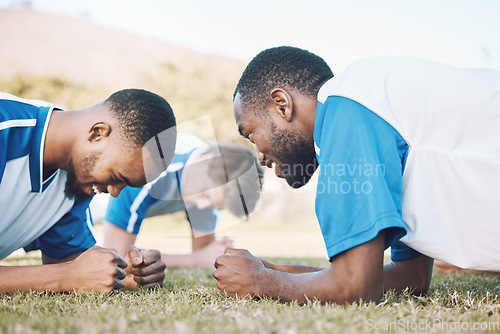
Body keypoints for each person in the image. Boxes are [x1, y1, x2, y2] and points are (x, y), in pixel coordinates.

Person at [213, 46, 500, 304]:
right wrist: (272, 270)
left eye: (250, 134)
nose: (260, 156)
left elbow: (357, 288)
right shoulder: (371, 100)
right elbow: (410, 279)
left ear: (282, 104)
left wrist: (261, 282)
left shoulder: (346, 109)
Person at [0, 89, 176, 294]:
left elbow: (68, 260)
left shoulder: (76, 179)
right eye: (117, 177)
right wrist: (63, 278)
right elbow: (65, 273)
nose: (115, 192)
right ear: (98, 133)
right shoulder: (5, 128)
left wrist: (123, 271)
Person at [101, 133, 264, 268]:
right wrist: (194, 260)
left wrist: (218, 252)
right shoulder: (150, 168)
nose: (202, 206)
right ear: (205, 161)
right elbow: (117, 258)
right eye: (206, 195)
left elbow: (203, 252)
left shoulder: (204, 173)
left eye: (215, 206)